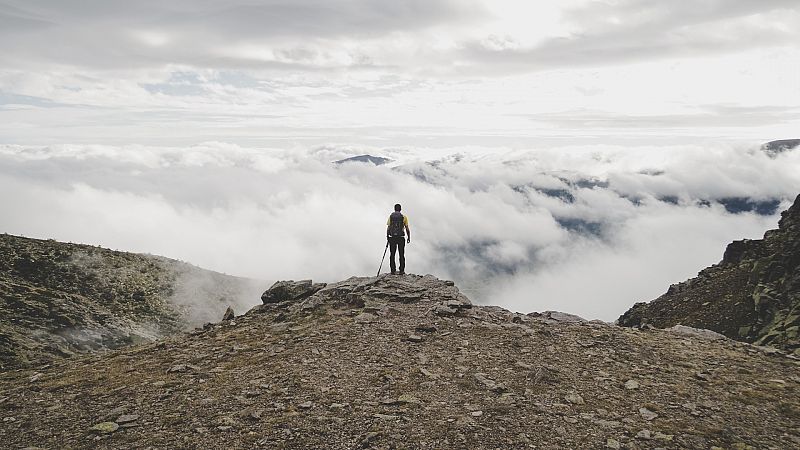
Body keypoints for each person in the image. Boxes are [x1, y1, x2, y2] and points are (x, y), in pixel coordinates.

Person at [386, 203, 410, 275]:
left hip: (392, 238)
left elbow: (388, 228)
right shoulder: (404, 217)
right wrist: (409, 237)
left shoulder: (391, 217)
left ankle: (393, 270)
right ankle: (401, 270)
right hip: (401, 238)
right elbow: (407, 228)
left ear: (394, 209)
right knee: (401, 254)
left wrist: (388, 237)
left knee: (392, 254)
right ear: (400, 209)